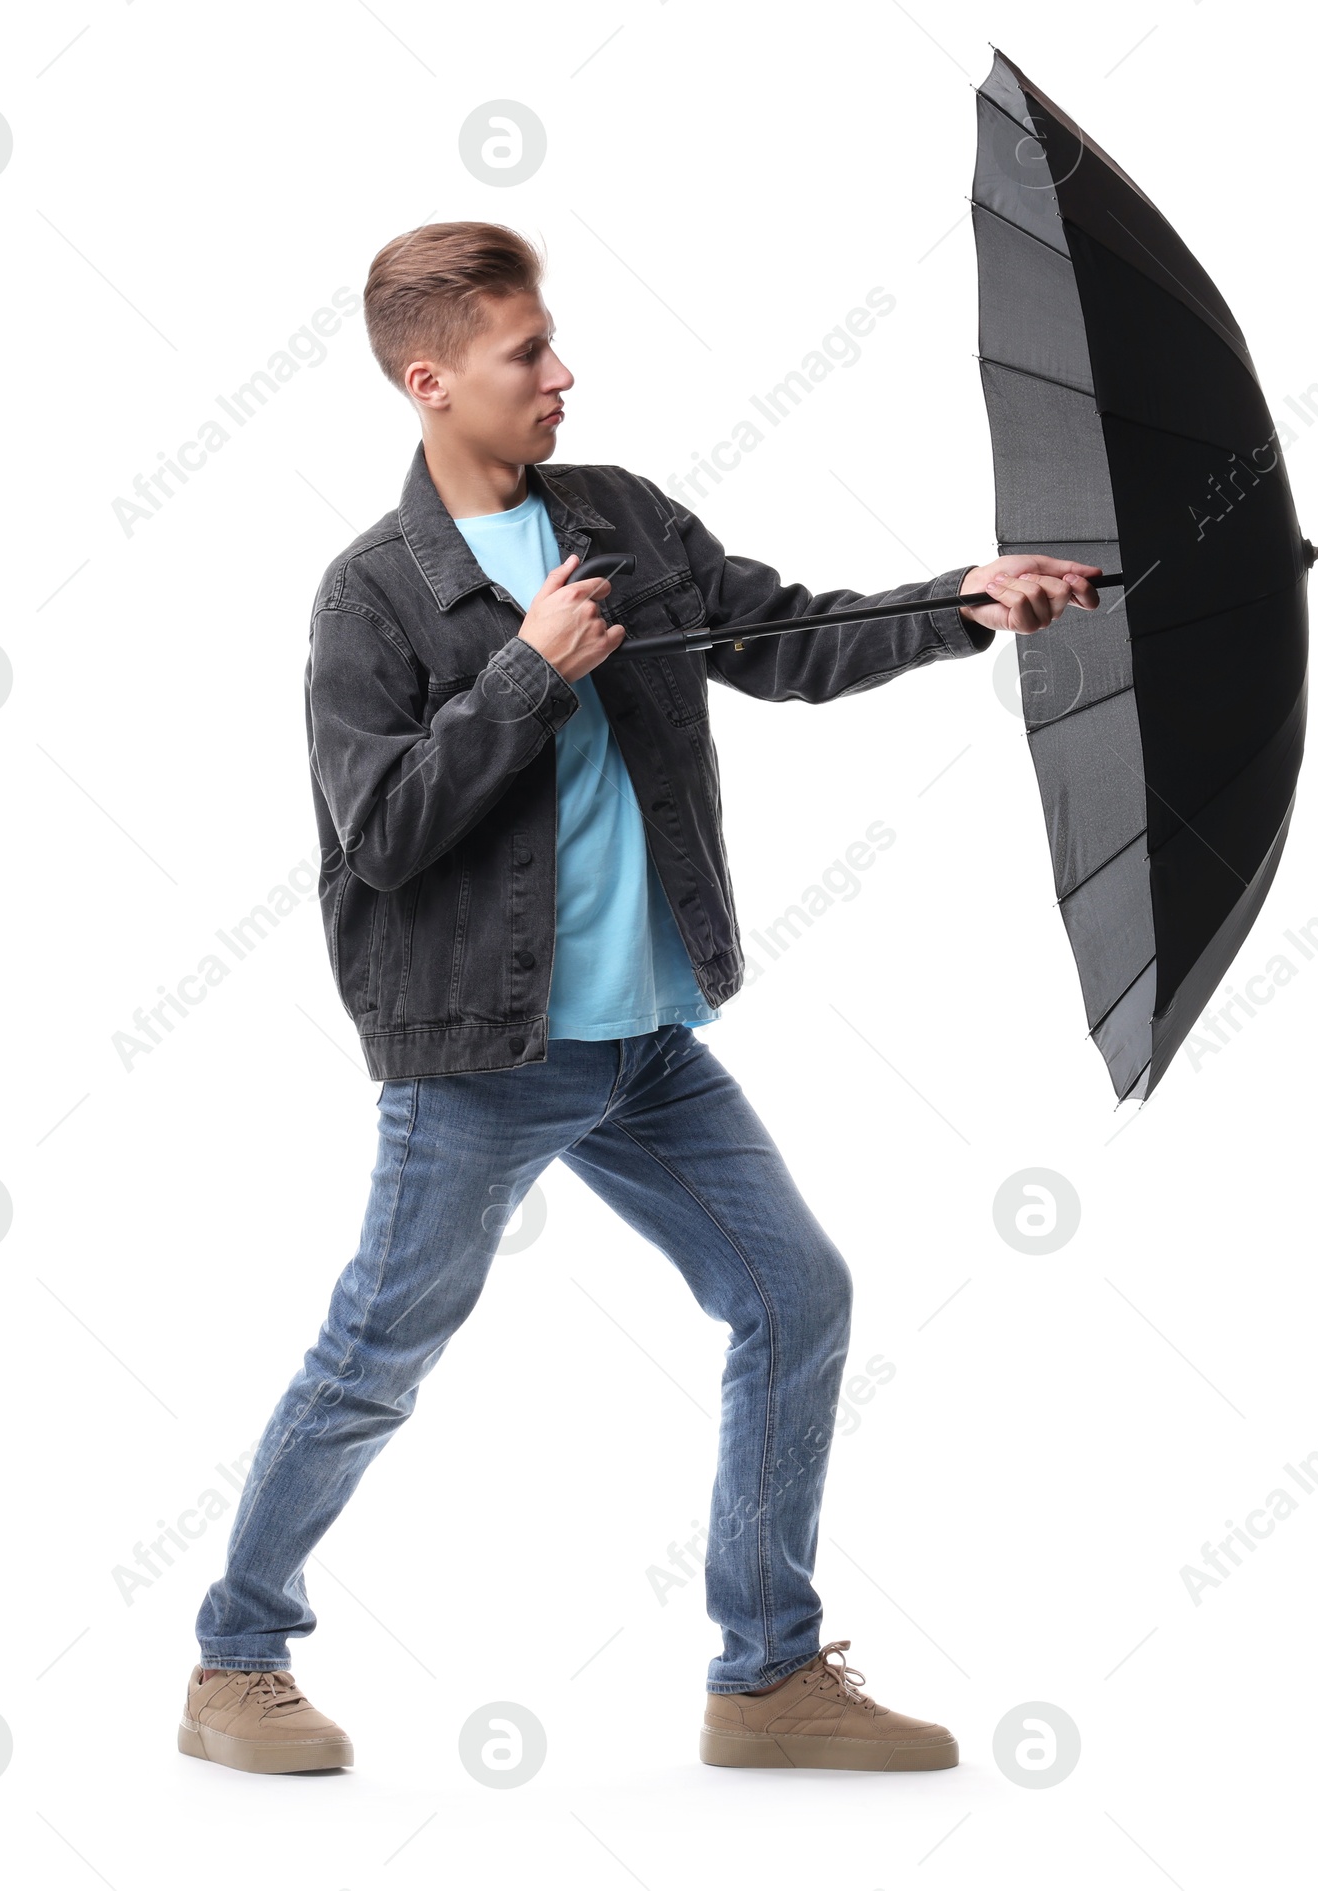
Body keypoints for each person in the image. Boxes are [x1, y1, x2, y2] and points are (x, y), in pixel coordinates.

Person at [179, 221, 1099, 1776]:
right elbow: (383, 834)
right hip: (483, 1057)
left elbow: (785, 635)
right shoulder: (374, 598)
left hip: (648, 1049)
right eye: (524, 354)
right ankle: (235, 1660)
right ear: (428, 381)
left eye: (553, 345)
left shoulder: (617, 519)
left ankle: (766, 1675)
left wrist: (964, 598)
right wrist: (526, 674)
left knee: (796, 1294)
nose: (561, 375)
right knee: (379, 1349)